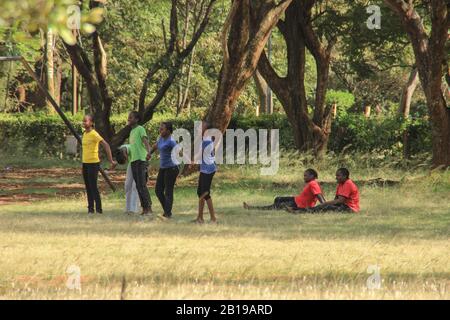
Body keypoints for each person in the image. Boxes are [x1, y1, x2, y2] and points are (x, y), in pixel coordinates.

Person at [81, 114, 116, 214]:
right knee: (88, 186)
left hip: (93, 164)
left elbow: (106, 145)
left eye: (85, 121)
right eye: (83, 121)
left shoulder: (94, 134)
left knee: (93, 186)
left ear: (91, 123)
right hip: (85, 164)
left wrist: (111, 161)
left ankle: (99, 209)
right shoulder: (84, 134)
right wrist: (82, 164)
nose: (84, 123)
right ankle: (90, 209)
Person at [243, 169, 325, 211]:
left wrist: (325, 207)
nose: (304, 177)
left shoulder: (313, 184)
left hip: (299, 205)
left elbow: (320, 197)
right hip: (297, 199)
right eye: (304, 175)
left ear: (312, 176)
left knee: (277, 206)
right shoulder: (311, 183)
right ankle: (277, 208)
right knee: (277, 199)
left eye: (306, 176)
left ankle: (252, 208)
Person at [149, 122, 179, 218]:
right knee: (158, 190)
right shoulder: (161, 138)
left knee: (168, 191)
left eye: (162, 129)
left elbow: (179, 152)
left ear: (168, 131)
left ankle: (167, 213)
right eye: (160, 128)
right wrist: (149, 153)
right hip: (163, 168)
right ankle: (167, 210)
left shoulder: (171, 141)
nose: (160, 130)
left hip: (172, 168)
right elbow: (155, 145)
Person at [128, 111, 152, 215]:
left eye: (131, 117)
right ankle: (144, 208)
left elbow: (145, 141)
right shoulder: (131, 131)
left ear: (137, 119)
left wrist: (149, 153)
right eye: (128, 117)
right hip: (134, 160)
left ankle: (149, 207)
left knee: (142, 185)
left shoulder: (140, 129)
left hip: (141, 160)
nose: (128, 119)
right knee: (138, 186)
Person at [195, 121, 217, 224]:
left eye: (201, 126)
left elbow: (199, 156)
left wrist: (193, 160)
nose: (199, 127)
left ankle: (213, 218)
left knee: (205, 193)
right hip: (205, 168)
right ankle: (200, 218)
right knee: (200, 192)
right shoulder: (205, 140)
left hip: (208, 169)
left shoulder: (206, 141)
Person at [115, 145, 139, 214]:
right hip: (132, 163)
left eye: (125, 159)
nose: (126, 160)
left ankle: (133, 208)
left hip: (139, 162)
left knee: (135, 186)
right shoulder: (121, 150)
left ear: (125, 156)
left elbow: (125, 151)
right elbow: (121, 155)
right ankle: (128, 207)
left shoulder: (127, 149)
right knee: (127, 186)